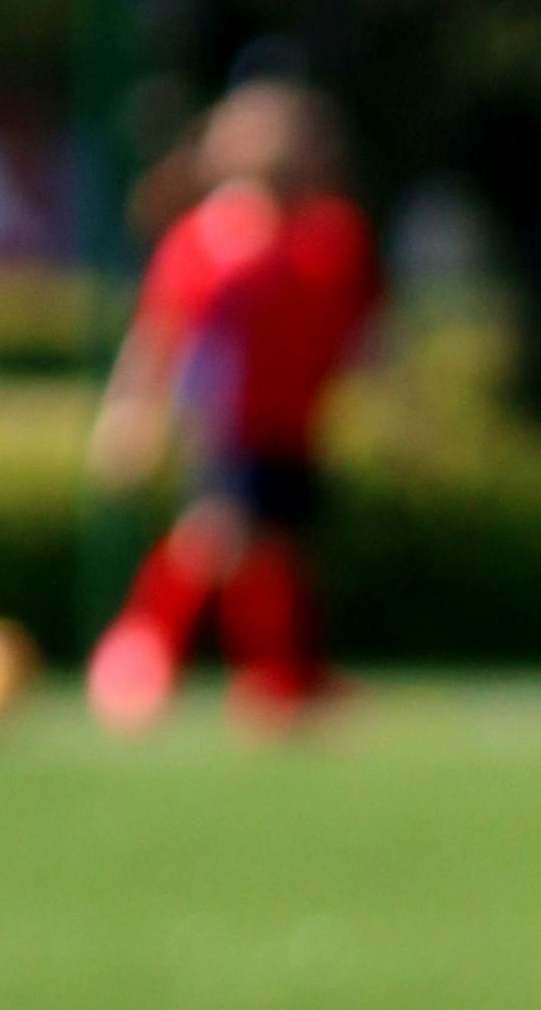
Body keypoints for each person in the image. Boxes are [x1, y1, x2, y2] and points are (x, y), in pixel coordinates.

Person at [85, 77, 382, 726]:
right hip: (226, 426)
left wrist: (395, 401)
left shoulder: (331, 238)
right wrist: (132, 412)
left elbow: (360, 334)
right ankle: (143, 655)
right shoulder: (205, 240)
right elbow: (158, 336)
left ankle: (291, 677)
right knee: (220, 539)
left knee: (283, 551)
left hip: (296, 427)